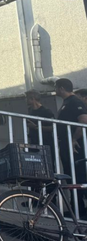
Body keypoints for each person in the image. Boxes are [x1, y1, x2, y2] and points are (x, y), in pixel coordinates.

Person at [55, 78, 87, 215]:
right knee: (71, 176)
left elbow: (84, 121)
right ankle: (77, 208)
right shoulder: (67, 102)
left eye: (56, 88)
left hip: (74, 146)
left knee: (77, 176)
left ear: (61, 88)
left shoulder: (75, 102)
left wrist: (74, 139)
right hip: (66, 143)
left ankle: (80, 210)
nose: (55, 90)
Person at [24, 89, 54, 158]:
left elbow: (53, 127)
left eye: (27, 98)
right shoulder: (30, 110)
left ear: (32, 99)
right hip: (33, 142)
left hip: (45, 142)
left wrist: (36, 127)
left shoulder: (46, 111)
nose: (25, 100)